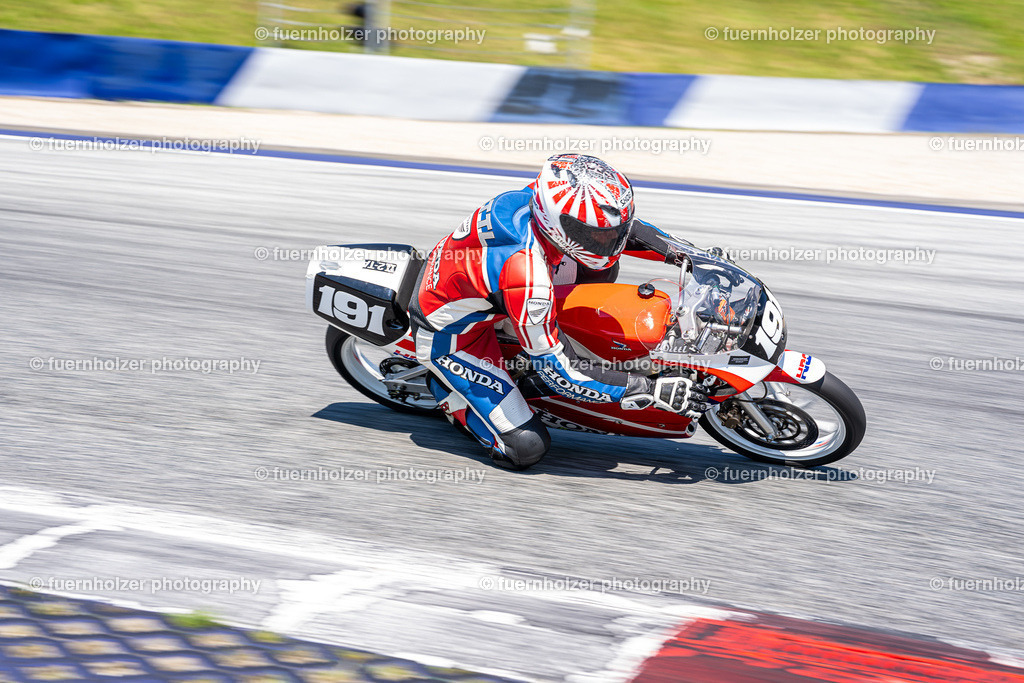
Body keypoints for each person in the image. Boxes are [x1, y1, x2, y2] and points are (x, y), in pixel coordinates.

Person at [409, 154, 709, 470]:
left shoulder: (546, 197)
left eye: (611, 233)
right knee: (526, 447)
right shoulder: (526, 277)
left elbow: (626, 230)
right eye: (596, 235)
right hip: (454, 335)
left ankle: (534, 336)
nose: (610, 241)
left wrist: (690, 256)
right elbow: (560, 374)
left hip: (487, 287)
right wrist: (649, 389)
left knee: (601, 269)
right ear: (558, 223)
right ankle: (447, 392)